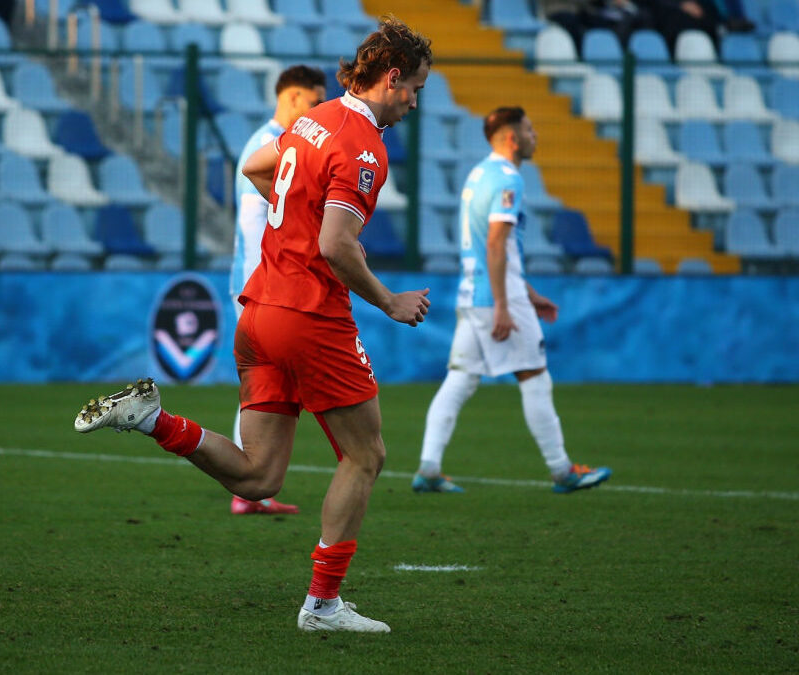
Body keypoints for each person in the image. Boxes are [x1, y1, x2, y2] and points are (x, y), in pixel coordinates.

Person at [74, 16, 433, 633]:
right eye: (415, 88)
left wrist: (291, 215)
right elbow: (338, 245)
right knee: (365, 454)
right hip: (309, 317)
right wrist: (388, 300)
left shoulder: (310, 118)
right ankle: (322, 606)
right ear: (391, 77)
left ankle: (154, 419)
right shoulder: (364, 144)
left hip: (258, 310)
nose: (415, 102)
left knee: (260, 475)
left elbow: (257, 168)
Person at [412, 106, 612, 495]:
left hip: (474, 292)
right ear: (512, 138)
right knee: (535, 376)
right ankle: (562, 471)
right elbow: (496, 242)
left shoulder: (478, 174)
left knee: (460, 379)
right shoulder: (509, 179)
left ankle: (429, 468)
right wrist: (505, 304)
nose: (535, 135)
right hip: (494, 297)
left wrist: (529, 294)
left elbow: (502, 249)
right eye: (530, 128)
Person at [227, 65, 327, 516]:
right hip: (261, 285)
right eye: (313, 101)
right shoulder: (266, 146)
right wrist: (260, 288)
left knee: (266, 386)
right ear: (290, 98)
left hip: (266, 285)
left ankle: (249, 487)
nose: (319, 110)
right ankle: (248, 485)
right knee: (265, 387)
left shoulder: (283, 143)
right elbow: (253, 223)